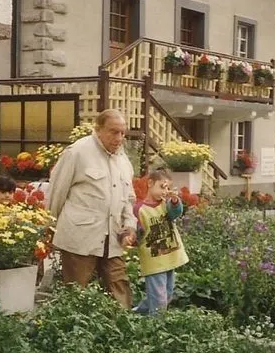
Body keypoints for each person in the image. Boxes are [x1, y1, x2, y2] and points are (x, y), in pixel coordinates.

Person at [47, 109, 137, 308]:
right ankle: (72, 333)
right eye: (114, 132)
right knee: (76, 292)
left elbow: (128, 198)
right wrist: (48, 227)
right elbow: (56, 192)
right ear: (98, 129)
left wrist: (130, 225)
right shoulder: (77, 152)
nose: (119, 138)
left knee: (119, 285)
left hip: (113, 237)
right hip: (80, 237)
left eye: (123, 133)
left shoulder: (123, 160)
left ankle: (122, 332)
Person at [132, 169, 189, 315]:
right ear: (150, 183)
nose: (165, 191)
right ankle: (156, 328)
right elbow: (135, 231)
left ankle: (138, 313)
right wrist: (132, 236)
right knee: (159, 299)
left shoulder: (166, 204)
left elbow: (175, 213)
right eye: (162, 187)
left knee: (168, 294)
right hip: (154, 260)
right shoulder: (139, 209)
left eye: (168, 188)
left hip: (170, 257)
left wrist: (175, 201)